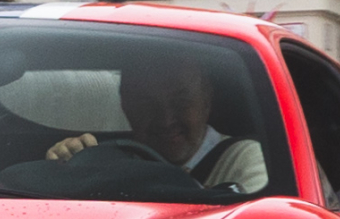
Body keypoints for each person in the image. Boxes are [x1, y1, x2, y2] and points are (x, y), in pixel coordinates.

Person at [47, 55, 267, 191]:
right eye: (145, 103)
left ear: (206, 100)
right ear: (126, 106)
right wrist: (70, 165)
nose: (165, 119)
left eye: (181, 100)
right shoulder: (113, 162)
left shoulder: (247, 158)